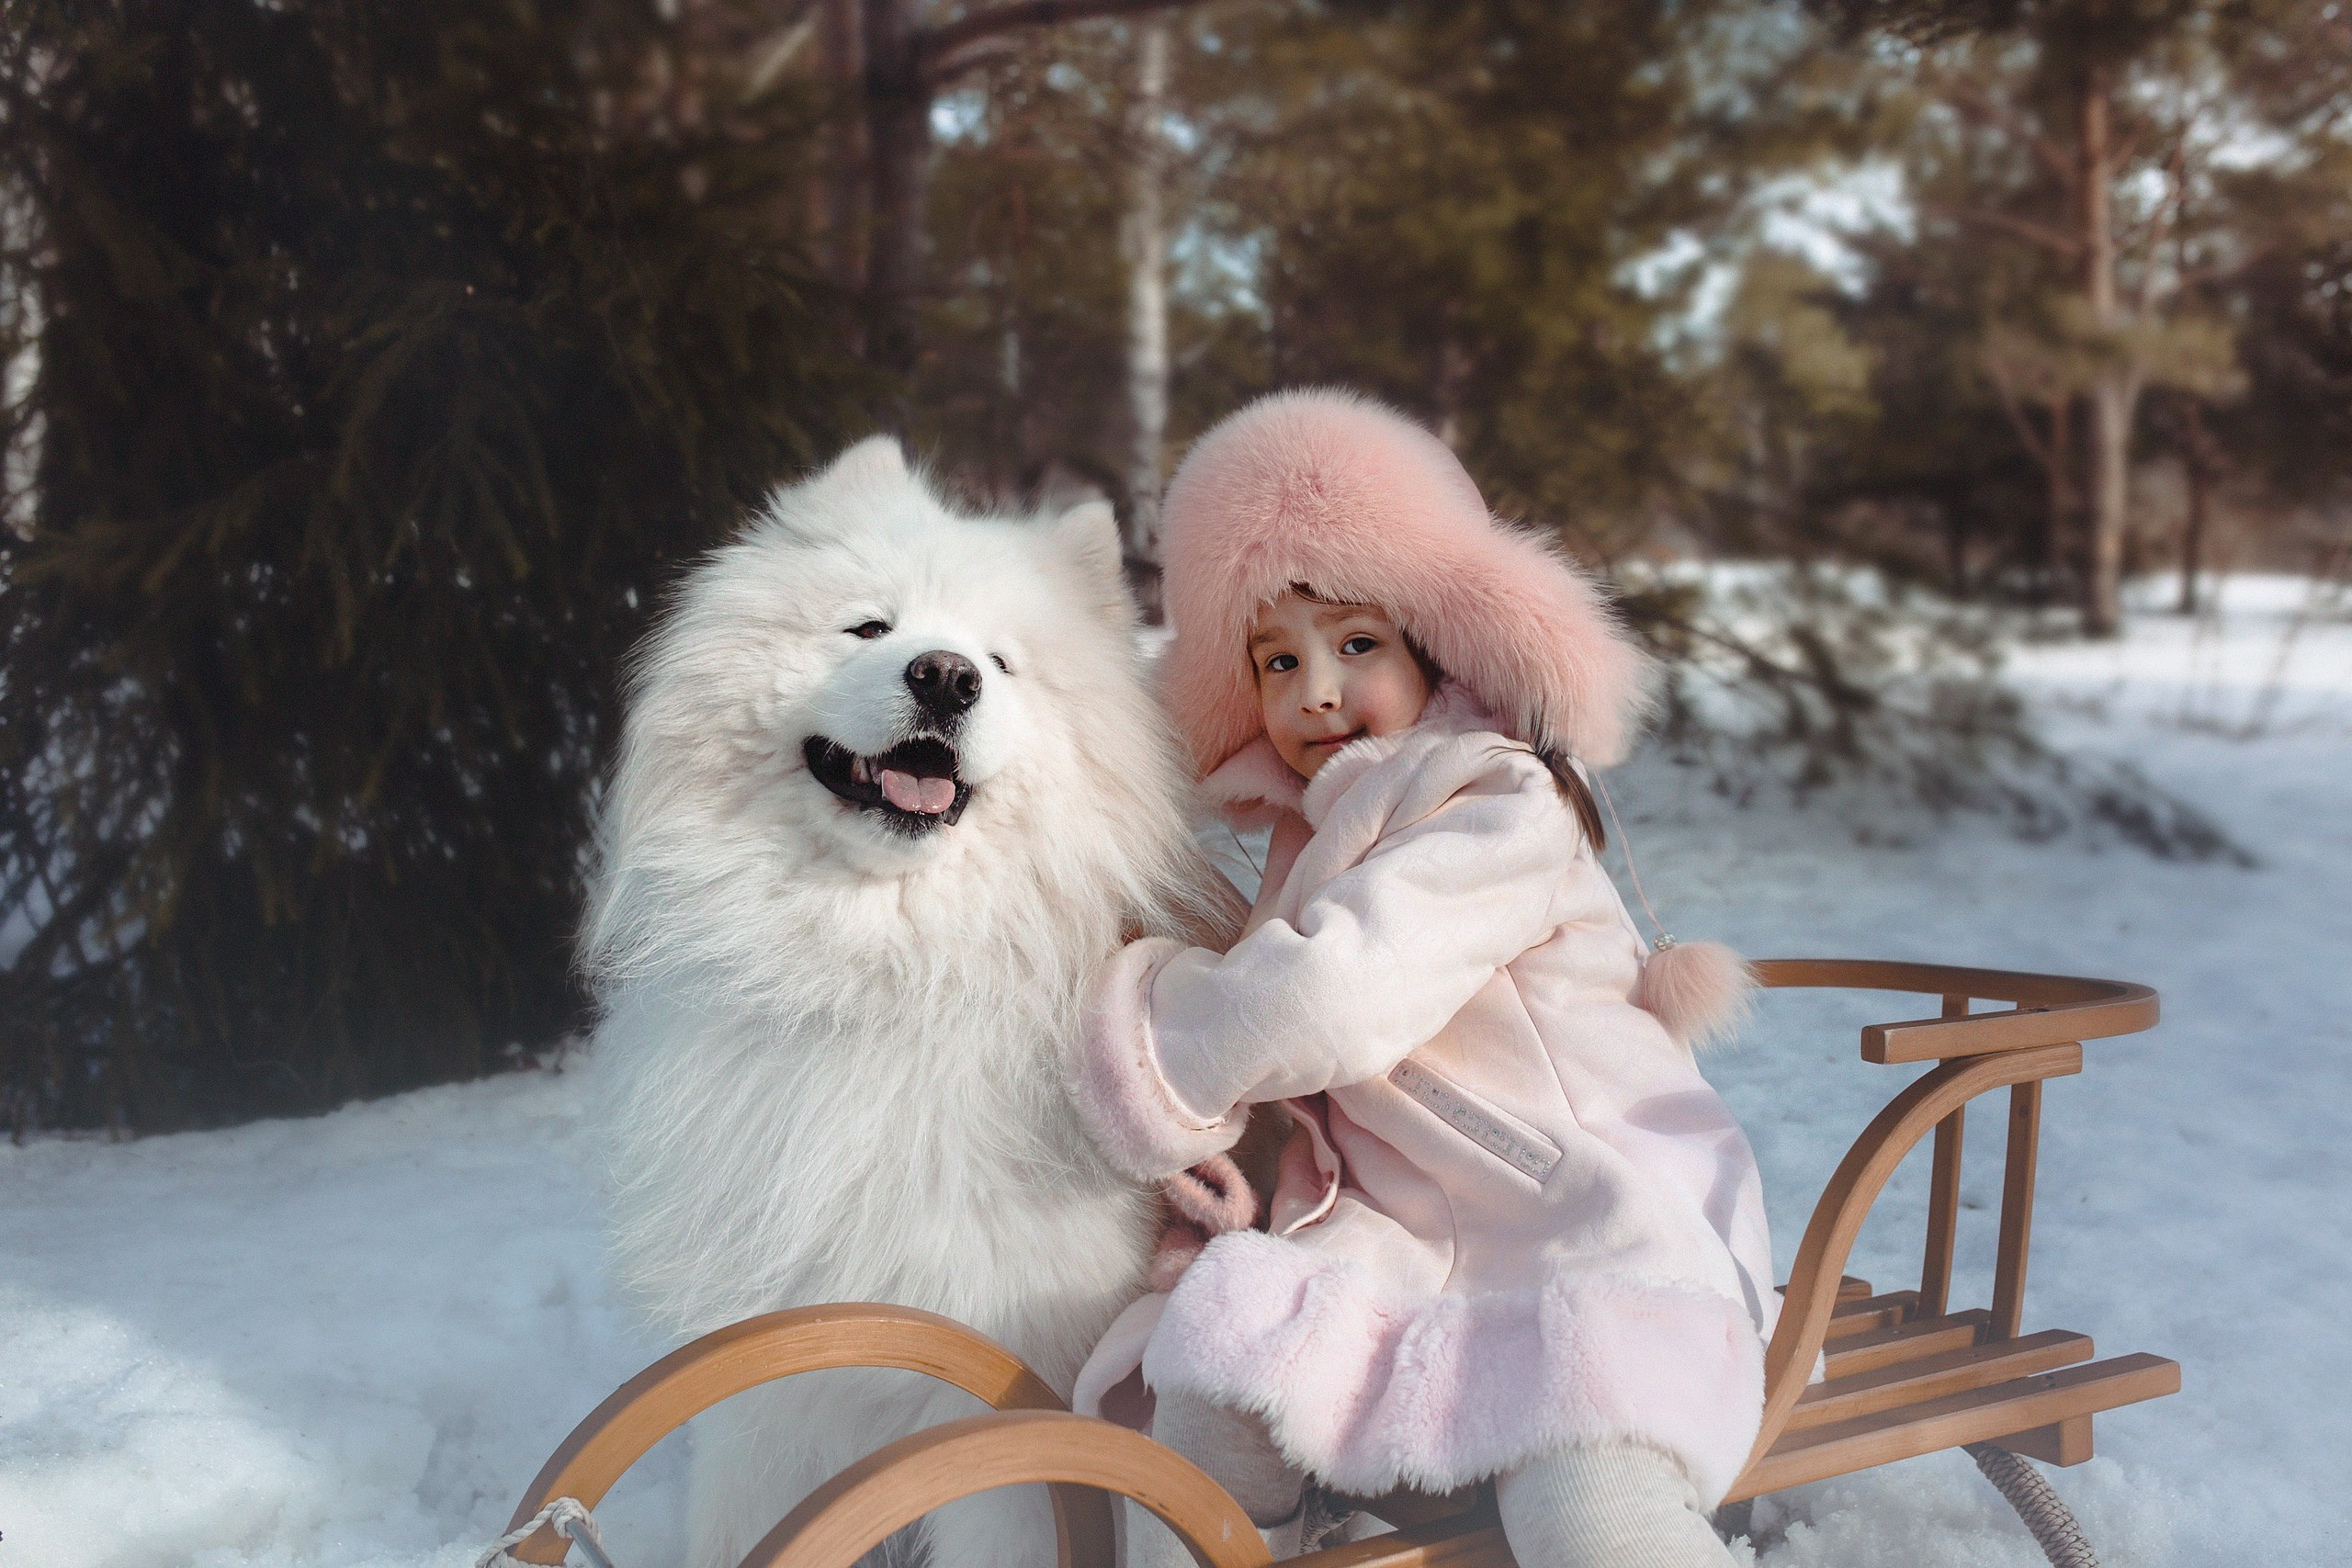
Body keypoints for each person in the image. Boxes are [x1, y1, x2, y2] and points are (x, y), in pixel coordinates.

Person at [1069, 390, 1773, 1568]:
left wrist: (1158, 1040)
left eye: (1355, 646)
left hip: (1580, 1217)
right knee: (1215, 1396)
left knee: (1587, 1514)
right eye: (1274, 662)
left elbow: (1331, 996)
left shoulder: (1497, 801)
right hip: (1401, 1228)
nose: (1315, 694)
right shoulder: (1314, 831)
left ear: (1435, 642)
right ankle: (1245, 1541)